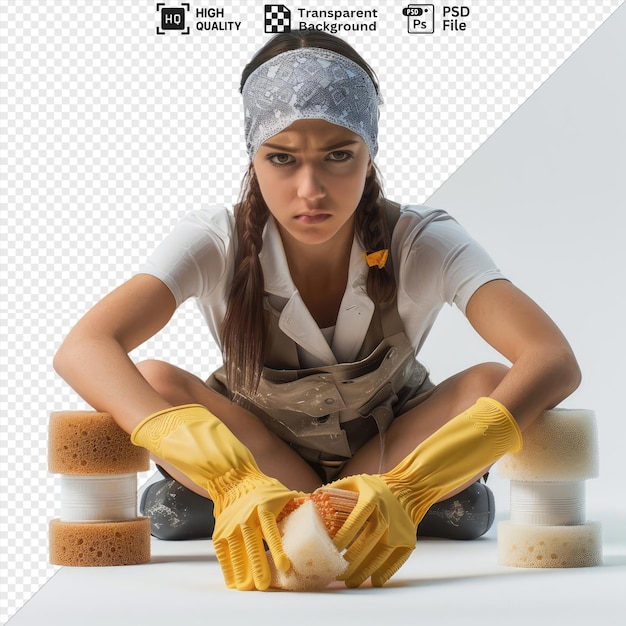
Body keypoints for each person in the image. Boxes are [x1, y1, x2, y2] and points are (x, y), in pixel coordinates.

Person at [53, 30, 581, 590]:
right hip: (257, 455)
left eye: (338, 156)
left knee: (490, 382)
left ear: (369, 153)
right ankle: (251, 499)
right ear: (253, 156)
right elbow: (84, 348)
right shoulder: (214, 239)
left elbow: (551, 359)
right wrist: (226, 475)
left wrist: (416, 483)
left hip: (388, 455)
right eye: (282, 158)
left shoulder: (423, 239)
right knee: (154, 379)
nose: (311, 190)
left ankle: (390, 503)